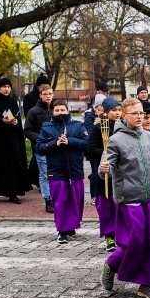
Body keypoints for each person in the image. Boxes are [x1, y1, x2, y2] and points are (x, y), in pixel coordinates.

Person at [99, 98, 150, 298]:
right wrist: (103, 169)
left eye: (141, 113)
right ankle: (112, 265)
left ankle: (146, 285)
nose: (140, 117)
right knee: (135, 241)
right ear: (124, 115)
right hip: (129, 198)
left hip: (149, 197)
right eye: (135, 113)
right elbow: (106, 167)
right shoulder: (116, 140)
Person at [36, 100, 88, 243]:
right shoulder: (46, 128)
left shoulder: (78, 125)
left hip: (75, 170)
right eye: (57, 110)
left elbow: (86, 144)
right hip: (56, 171)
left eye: (62, 110)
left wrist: (69, 141)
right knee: (60, 202)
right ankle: (62, 230)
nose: (60, 113)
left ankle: (71, 226)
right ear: (53, 112)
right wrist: (55, 144)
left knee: (75, 201)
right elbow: (39, 147)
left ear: (68, 110)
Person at [86, 97, 121, 252]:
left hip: (121, 175)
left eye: (120, 110)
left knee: (119, 207)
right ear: (106, 112)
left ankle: (121, 235)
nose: (118, 113)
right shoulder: (100, 128)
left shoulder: (124, 127)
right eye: (114, 110)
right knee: (106, 207)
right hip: (104, 174)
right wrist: (107, 154)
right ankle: (109, 236)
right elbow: (90, 148)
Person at [24, 84, 54, 212]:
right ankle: (48, 200)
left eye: (50, 93)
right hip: (41, 148)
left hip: (56, 148)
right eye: (45, 94)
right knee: (44, 175)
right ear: (40, 95)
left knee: (56, 175)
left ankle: (57, 198)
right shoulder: (33, 111)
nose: (48, 96)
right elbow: (27, 131)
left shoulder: (55, 109)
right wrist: (41, 139)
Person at [23, 74, 51, 186]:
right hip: (37, 132)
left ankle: (34, 179)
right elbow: (28, 118)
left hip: (50, 138)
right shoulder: (29, 98)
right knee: (38, 158)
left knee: (41, 161)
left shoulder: (53, 104)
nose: (48, 95)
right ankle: (38, 181)